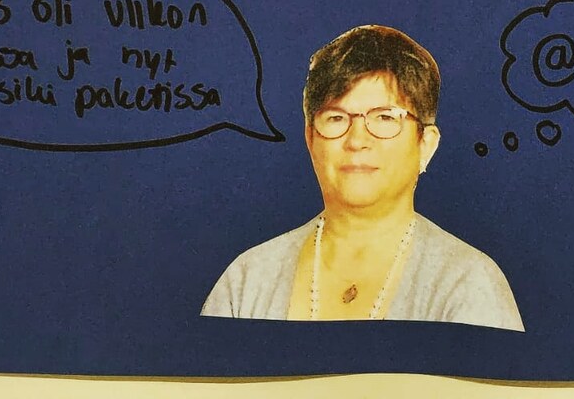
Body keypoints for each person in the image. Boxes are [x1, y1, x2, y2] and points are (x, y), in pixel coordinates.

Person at [201, 25, 524, 331]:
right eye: (336, 118)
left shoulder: (469, 282)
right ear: (310, 138)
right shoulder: (247, 278)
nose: (357, 140)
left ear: (426, 144)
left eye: (385, 118)